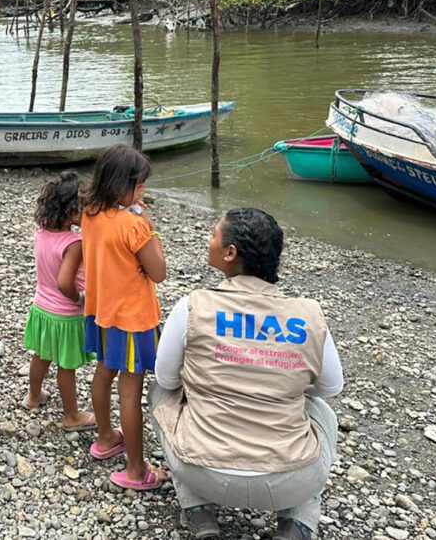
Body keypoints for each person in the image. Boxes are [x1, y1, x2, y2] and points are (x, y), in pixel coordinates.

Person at [150, 208, 343, 540]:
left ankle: (197, 508)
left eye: (214, 235)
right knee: (321, 411)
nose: (208, 241)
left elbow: (167, 379)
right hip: (289, 479)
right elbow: (330, 387)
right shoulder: (309, 314)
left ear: (230, 253)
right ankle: (298, 521)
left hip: (202, 471)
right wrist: (277, 378)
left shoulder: (193, 306)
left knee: (158, 393)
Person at [80, 145, 167, 491]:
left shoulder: (88, 212)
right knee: (130, 391)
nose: (144, 191)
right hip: (134, 319)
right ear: (123, 186)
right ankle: (135, 470)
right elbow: (158, 272)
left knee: (104, 373)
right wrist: (150, 227)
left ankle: (105, 438)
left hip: (102, 313)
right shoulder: (135, 226)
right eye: (140, 185)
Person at [21, 172, 97, 431]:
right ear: (71, 210)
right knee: (67, 365)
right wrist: (81, 299)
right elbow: (65, 283)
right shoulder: (73, 243)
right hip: (65, 314)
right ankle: (71, 416)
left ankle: (33, 396)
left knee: (41, 355)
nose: (88, 213)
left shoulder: (42, 231)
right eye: (84, 208)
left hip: (41, 307)